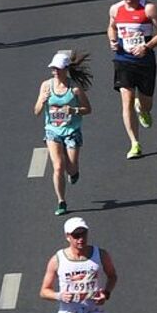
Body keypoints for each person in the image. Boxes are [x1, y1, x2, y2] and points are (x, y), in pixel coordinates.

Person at [109, 0, 157, 159]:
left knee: (146, 103)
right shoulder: (115, 9)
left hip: (145, 62)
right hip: (123, 60)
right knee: (126, 99)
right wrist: (112, 40)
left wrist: (146, 46)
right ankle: (135, 143)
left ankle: (142, 109)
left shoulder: (149, 9)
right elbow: (111, 27)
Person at [35, 50, 93, 216]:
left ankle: (74, 173)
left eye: (58, 69)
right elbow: (36, 111)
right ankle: (61, 201)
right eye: (53, 69)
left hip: (71, 131)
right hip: (52, 131)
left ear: (66, 69)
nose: (55, 72)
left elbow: (88, 109)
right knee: (58, 166)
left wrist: (73, 110)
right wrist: (42, 100)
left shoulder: (74, 89)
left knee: (71, 167)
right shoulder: (46, 86)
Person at [39, 217, 119, 313]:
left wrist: (106, 293)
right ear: (68, 237)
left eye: (83, 234)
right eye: (76, 236)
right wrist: (60, 296)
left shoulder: (101, 255)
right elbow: (44, 291)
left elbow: (112, 276)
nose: (81, 239)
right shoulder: (57, 260)